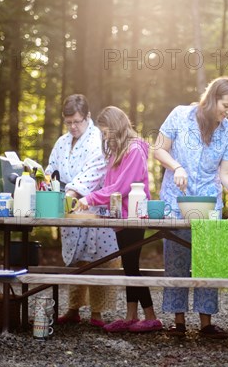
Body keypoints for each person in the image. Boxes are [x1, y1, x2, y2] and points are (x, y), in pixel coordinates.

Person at [153, 76, 228, 339]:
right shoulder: (180, 116)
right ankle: (178, 321)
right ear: (212, 97)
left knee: (208, 258)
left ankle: (206, 323)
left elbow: (227, 172)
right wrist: (177, 167)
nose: (227, 112)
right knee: (175, 257)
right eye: (225, 105)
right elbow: (159, 149)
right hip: (176, 197)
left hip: (208, 202)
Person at [77, 106, 162, 333]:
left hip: (133, 216)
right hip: (121, 217)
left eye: (107, 132)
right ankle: (131, 316)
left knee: (132, 266)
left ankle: (151, 316)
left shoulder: (134, 150)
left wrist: (91, 198)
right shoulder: (119, 150)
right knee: (129, 266)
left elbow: (122, 187)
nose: (105, 137)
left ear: (117, 127)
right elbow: (109, 185)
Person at [45, 94, 119, 328]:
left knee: (99, 258)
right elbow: (51, 169)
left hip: (93, 203)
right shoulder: (62, 142)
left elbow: (92, 173)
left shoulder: (98, 139)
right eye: (68, 123)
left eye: (77, 121)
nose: (73, 127)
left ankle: (97, 314)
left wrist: (71, 193)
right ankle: (73, 309)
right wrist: (49, 185)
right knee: (76, 259)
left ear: (87, 116)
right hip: (68, 206)